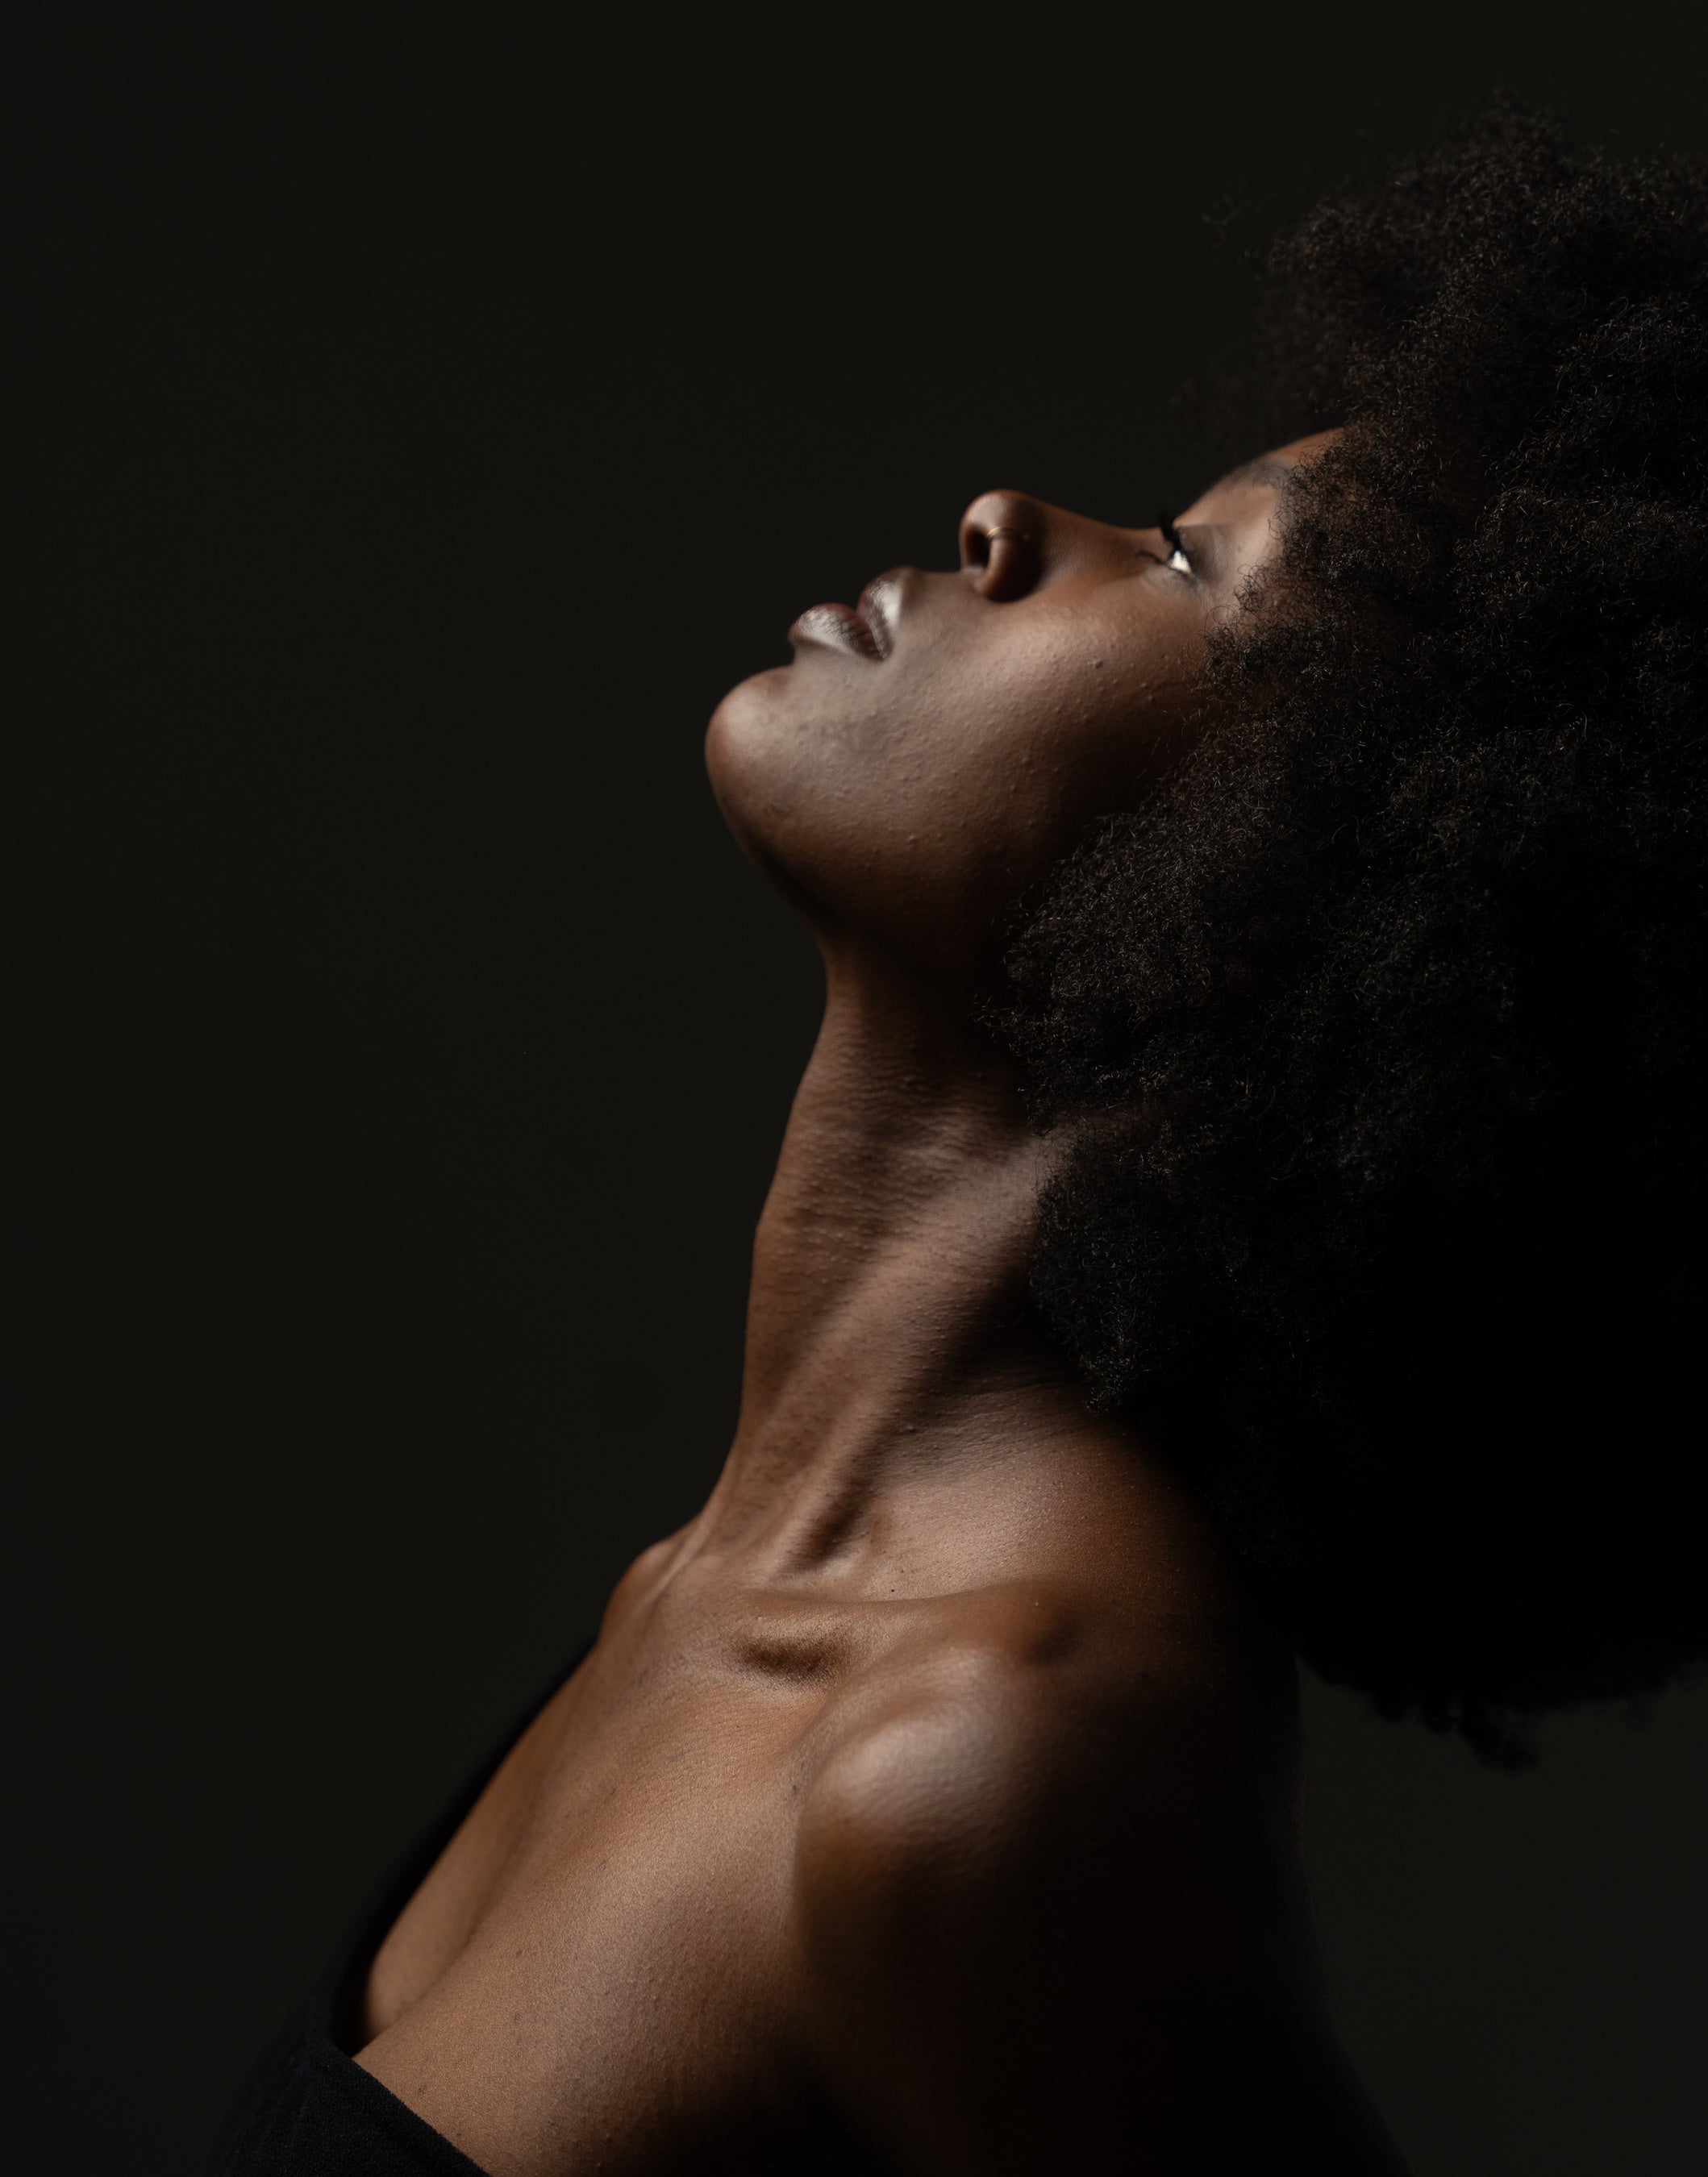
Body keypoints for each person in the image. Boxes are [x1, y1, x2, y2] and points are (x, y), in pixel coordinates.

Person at [219, 108, 1707, 2175]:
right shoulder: (702, 1602)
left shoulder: (988, 1762)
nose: (1011, 517)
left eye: (1191, 567)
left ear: (1346, 899)